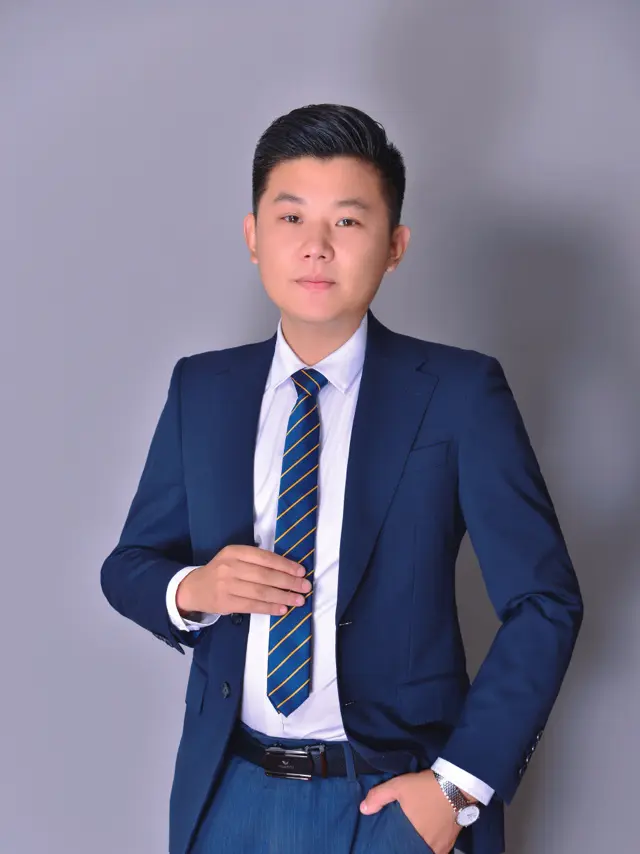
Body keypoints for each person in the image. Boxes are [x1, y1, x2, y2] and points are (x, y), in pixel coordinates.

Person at [100, 103, 583, 854]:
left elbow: (545, 602)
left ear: (394, 246)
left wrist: (457, 790)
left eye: (348, 222)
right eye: (291, 218)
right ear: (253, 236)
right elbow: (129, 566)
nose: (316, 246)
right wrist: (194, 589)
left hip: (394, 796)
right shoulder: (203, 389)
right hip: (228, 792)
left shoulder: (459, 394)